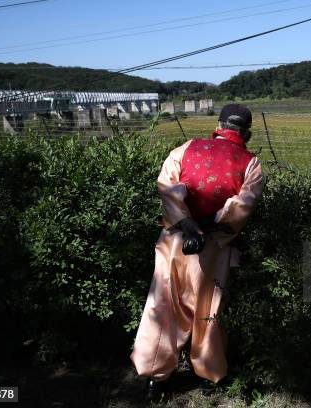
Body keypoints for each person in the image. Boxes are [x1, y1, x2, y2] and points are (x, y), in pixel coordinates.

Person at [130, 103, 265, 401]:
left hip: (174, 241)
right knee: (208, 311)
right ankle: (208, 376)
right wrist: (208, 227)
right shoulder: (251, 164)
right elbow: (243, 205)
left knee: (162, 306)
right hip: (214, 247)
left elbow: (166, 186)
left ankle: (154, 378)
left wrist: (188, 224)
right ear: (247, 132)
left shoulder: (186, 148)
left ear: (217, 125)